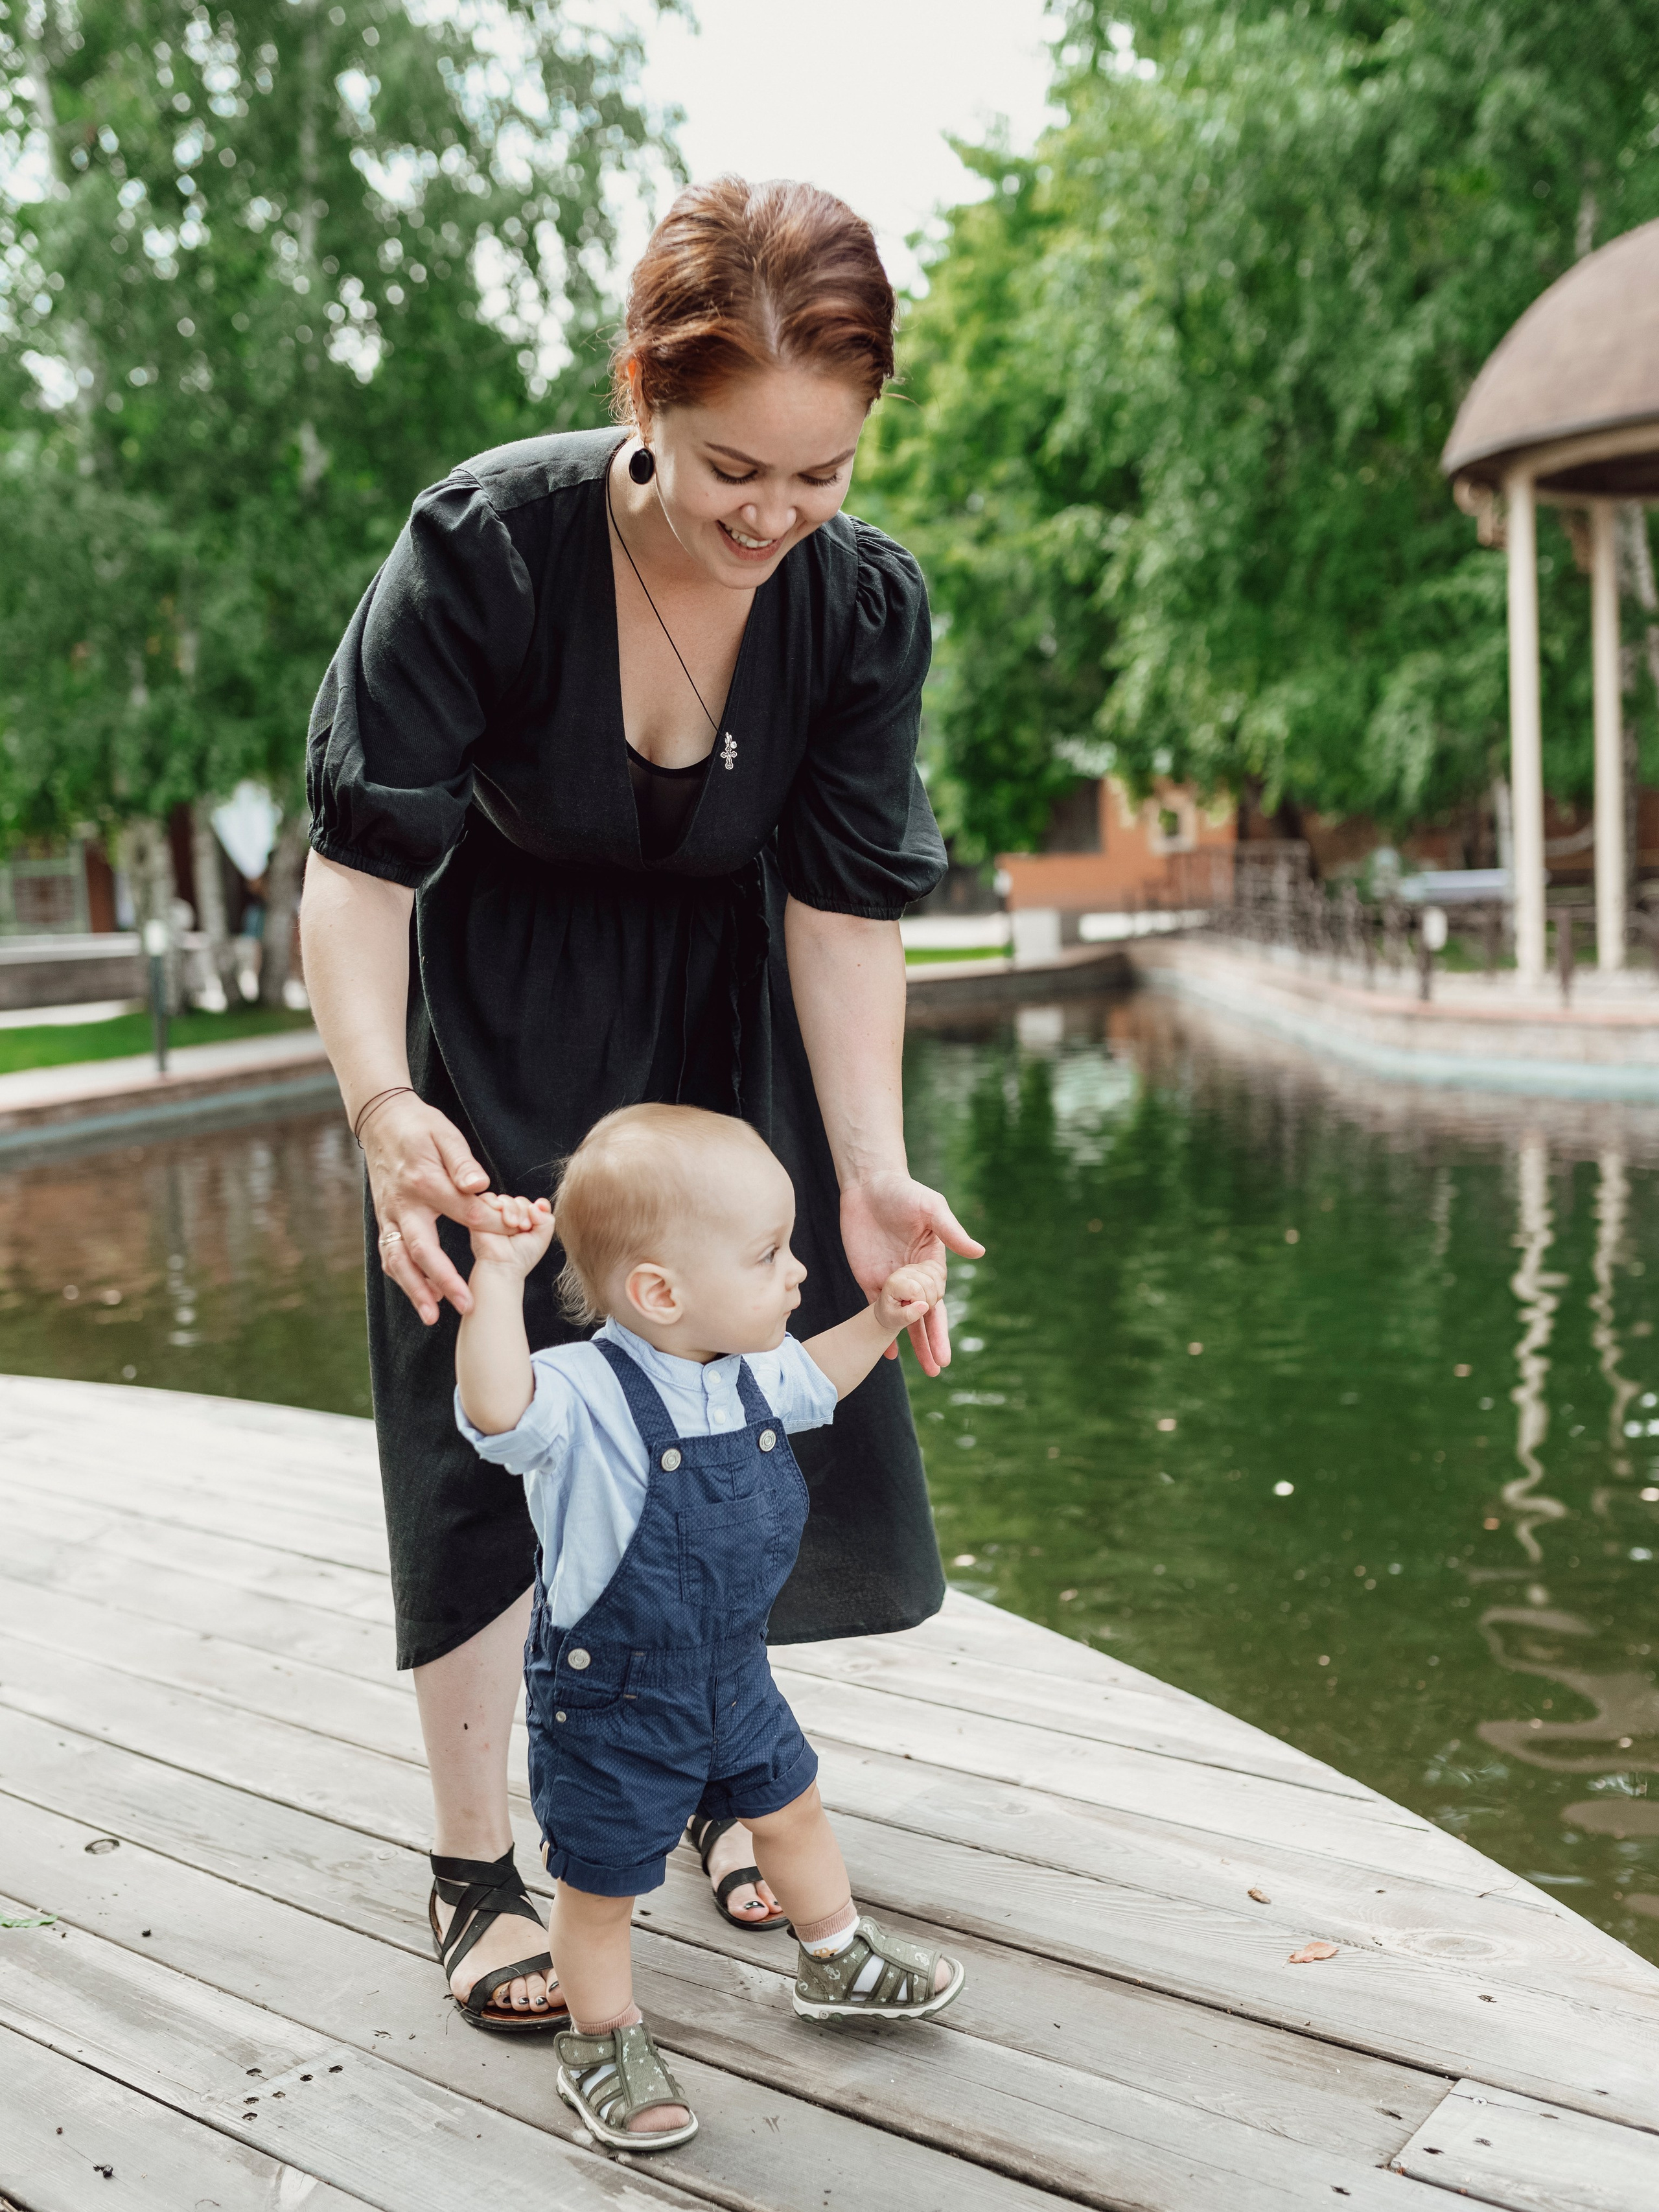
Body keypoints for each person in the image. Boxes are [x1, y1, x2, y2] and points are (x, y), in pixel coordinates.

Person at [299, 174, 983, 2031]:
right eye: (729, 465)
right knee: (484, 1391)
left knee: (734, 1386)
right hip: (499, 1002)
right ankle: (474, 1863)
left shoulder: (857, 608)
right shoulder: (488, 550)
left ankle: (710, 1767)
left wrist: (871, 1171)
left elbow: (844, 907)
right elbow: (357, 872)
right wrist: (381, 1103)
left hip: (726, 1006)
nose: (773, 513)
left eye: (821, 472)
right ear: (643, 396)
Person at [455, 1105, 966, 2148]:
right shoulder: (581, 1392)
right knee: (602, 1882)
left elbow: (818, 1376)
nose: (798, 1272)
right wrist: (499, 1282)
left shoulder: (746, 1368)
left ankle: (835, 1953)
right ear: (660, 1292)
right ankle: (601, 2036)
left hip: (734, 1669)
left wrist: (881, 1317)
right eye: (769, 1254)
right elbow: (498, 1410)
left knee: (793, 1807)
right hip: (614, 1693)